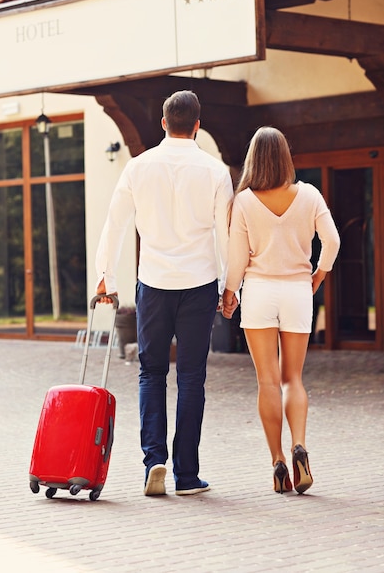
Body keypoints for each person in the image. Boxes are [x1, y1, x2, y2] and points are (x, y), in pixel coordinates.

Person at [95, 90, 233, 496]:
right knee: (192, 377)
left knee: (151, 373)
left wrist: (109, 279)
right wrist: (230, 286)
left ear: (162, 123)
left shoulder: (138, 167)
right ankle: (186, 475)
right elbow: (225, 236)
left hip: (153, 284)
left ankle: (153, 461)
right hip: (199, 285)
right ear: (198, 124)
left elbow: (114, 224)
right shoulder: (215, 170)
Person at [222, 126, 340, 494]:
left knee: (267, 382)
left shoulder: (243, 202)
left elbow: (237, 257)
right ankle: (299, 445)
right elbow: (333, 240)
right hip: (297, 293)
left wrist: (229, 291)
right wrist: (318, 274)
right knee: (293, 379)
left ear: (252, 159)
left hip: (258, 292)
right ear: (286, 156)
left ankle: (277, 462)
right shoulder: (309, 195)